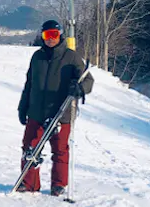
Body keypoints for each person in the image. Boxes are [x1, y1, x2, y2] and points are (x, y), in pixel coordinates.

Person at [17, 20, 94, 196]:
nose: (50, 39)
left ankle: (58, 185)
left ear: (60, 35)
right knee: (29, 147)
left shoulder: (71, 57)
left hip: (61, 112)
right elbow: (29, 84)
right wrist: (23, 107)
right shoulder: (37, 57)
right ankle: (28, 183)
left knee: (59, 150)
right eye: (46, 35)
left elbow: (88, 80)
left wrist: (79, 88)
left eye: (53, 35)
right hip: (36, 111)